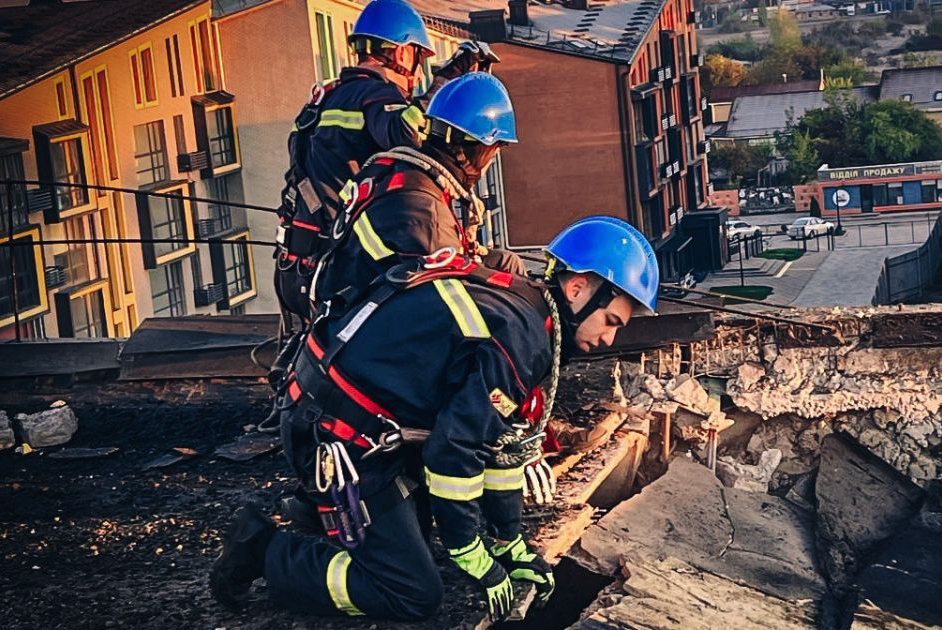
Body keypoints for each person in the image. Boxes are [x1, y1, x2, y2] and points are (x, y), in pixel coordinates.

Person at [210, 217, 659, 622]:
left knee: (422, 545)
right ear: (578, 288)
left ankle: (332, 517)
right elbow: (453, 453)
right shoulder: (522, 337)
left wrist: (506, 542)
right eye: (611, 320)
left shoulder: (530, 316)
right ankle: (263, 549)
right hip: (338, 439)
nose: (608, 338)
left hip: (353, 422)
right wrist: (470, 552)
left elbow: (499, 451)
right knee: (413, 593)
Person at [275, 0, 500, 321]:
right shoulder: (376, 96)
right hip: (341, 278)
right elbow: (409, 130)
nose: (418, 73)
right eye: (419, 59)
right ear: (402, 52)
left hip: (298, 270)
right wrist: (450, 79)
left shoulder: (327, 97)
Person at [311, 71, 522, 311]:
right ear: (476, 149)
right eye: (495, 150)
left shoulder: (405, 174)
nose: (492, 160)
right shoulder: (423, 210)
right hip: (369, 322)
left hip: (373, 296)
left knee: (507, 263)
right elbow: (450, 302)